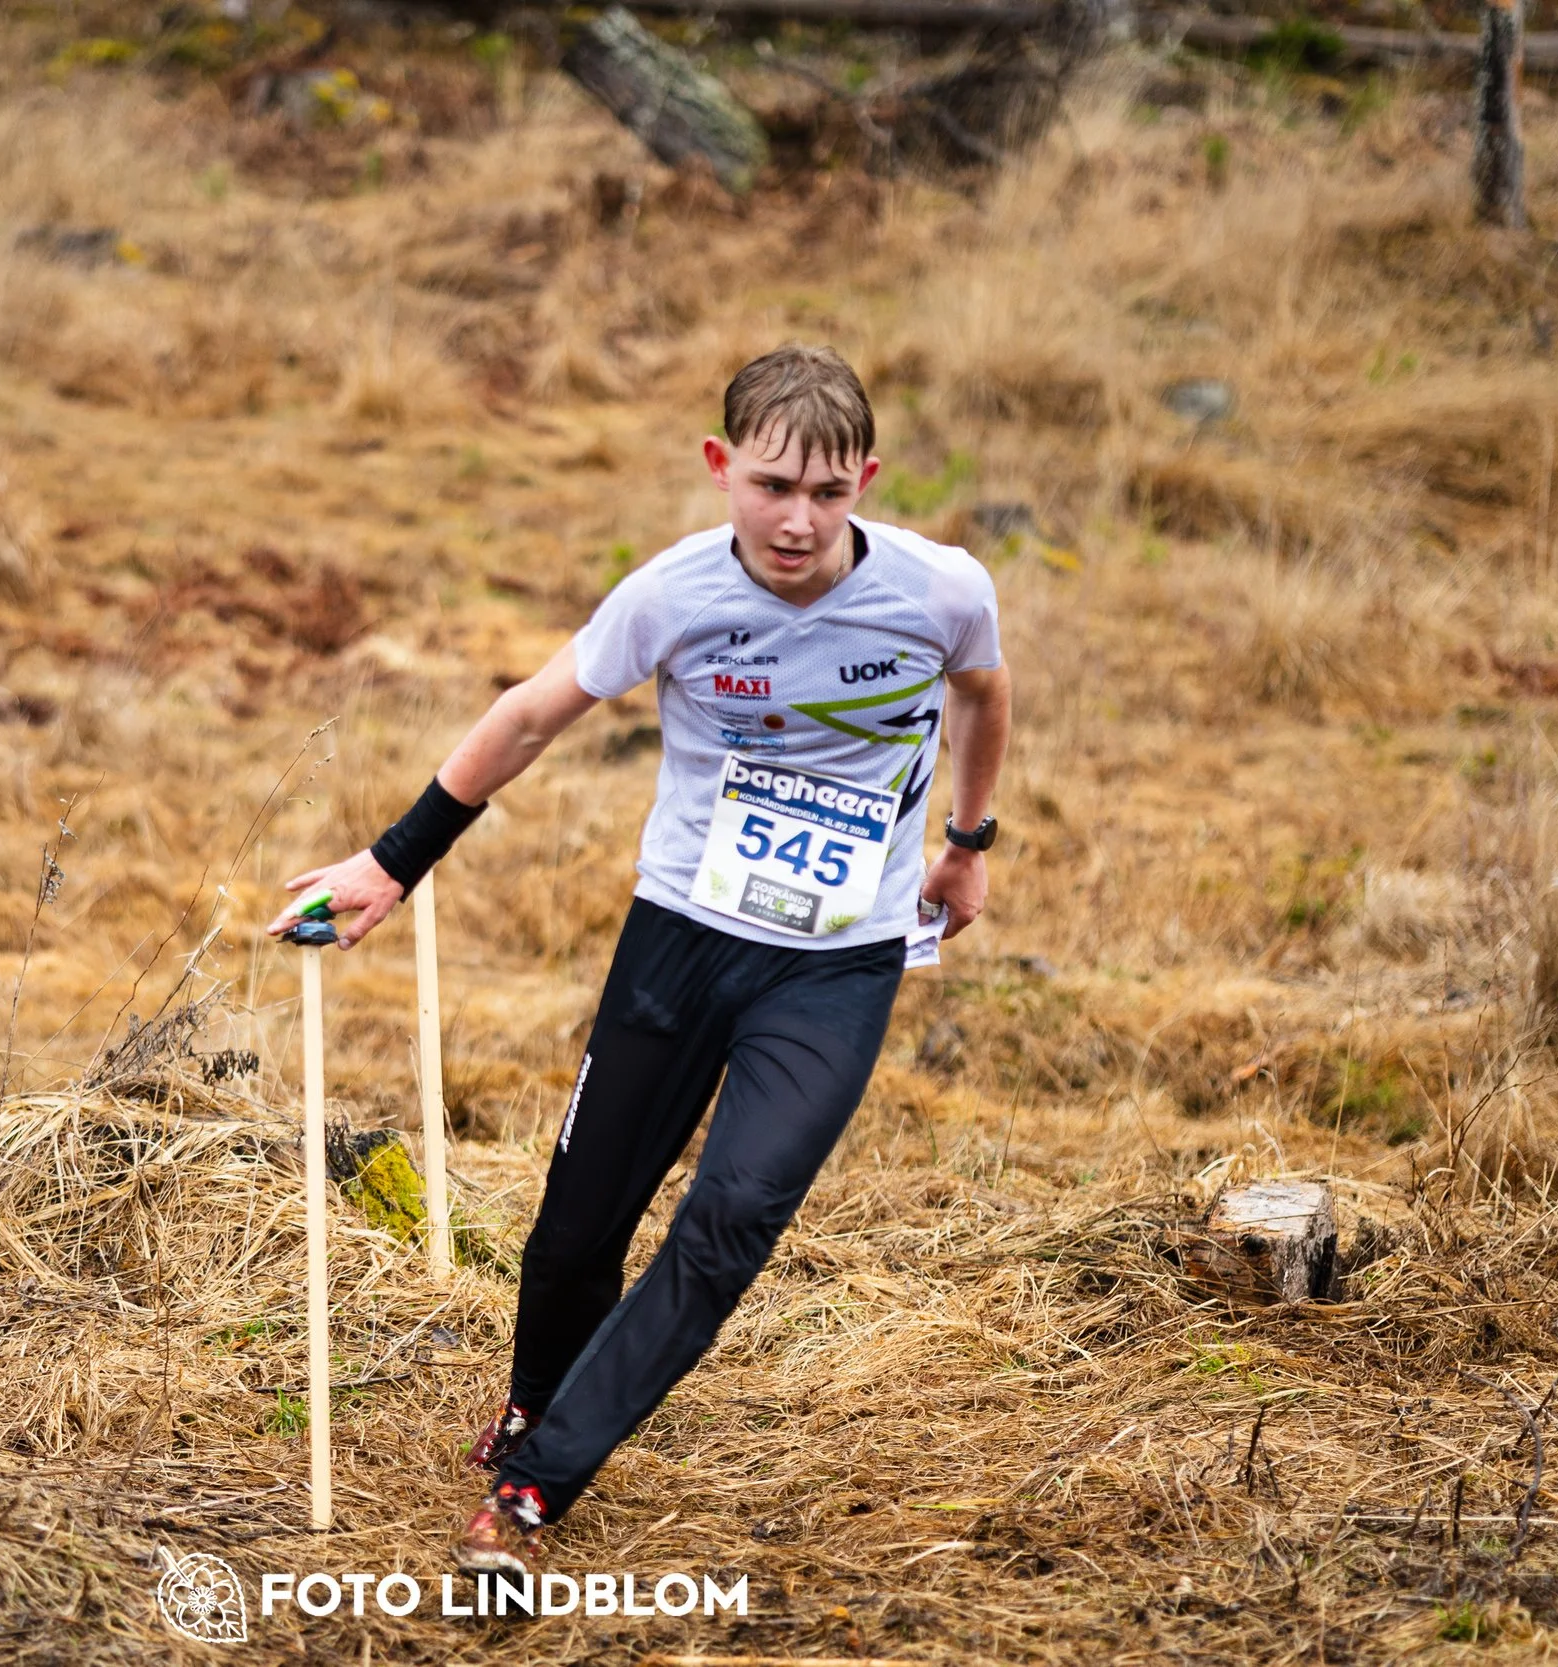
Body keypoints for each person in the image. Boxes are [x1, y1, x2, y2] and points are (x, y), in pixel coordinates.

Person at [266, 343, 1012, 1574]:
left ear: (865, 481)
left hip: (835, 964)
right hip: (680, 937)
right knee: (575, 1232)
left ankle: (534, 1484)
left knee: (730, 1220)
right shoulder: (670, 595)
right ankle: (531, 1399)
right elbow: (524, 716)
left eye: (828, 494)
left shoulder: (941, 589)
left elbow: (983, 693)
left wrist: (967, 843)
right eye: (772, 484)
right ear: (722, 467)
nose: (797, 520)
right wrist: (393, 862)